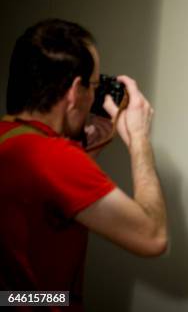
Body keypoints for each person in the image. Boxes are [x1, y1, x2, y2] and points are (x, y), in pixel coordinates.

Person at [0, 19, 167, 310]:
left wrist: (85, 155)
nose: (94, 97)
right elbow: (152, 236)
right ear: (75, 91)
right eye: (93, 84)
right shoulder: (54, 157)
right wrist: (140, 140)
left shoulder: (12, 140)